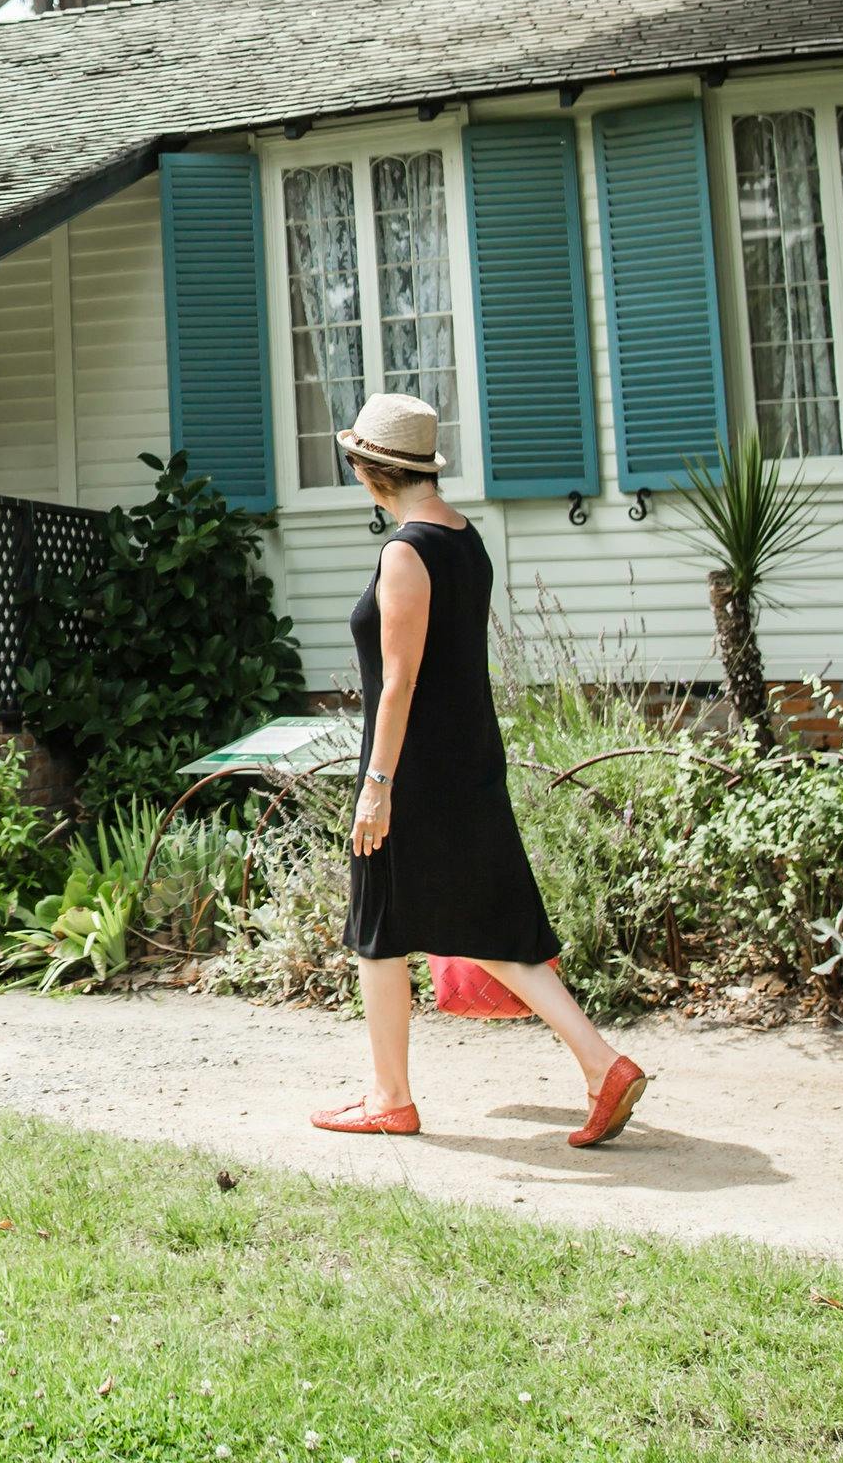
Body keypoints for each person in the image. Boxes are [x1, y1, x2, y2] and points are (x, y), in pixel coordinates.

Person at [309, 393, 652, 1149]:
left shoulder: (407, 551)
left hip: (413, 772)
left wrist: (376, 786)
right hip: (466, 759)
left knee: (379, 926)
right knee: (483, 927)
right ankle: (602, 1066)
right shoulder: (466, 539)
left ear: (368, 471)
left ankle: (390, 1097)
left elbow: (399, 684)